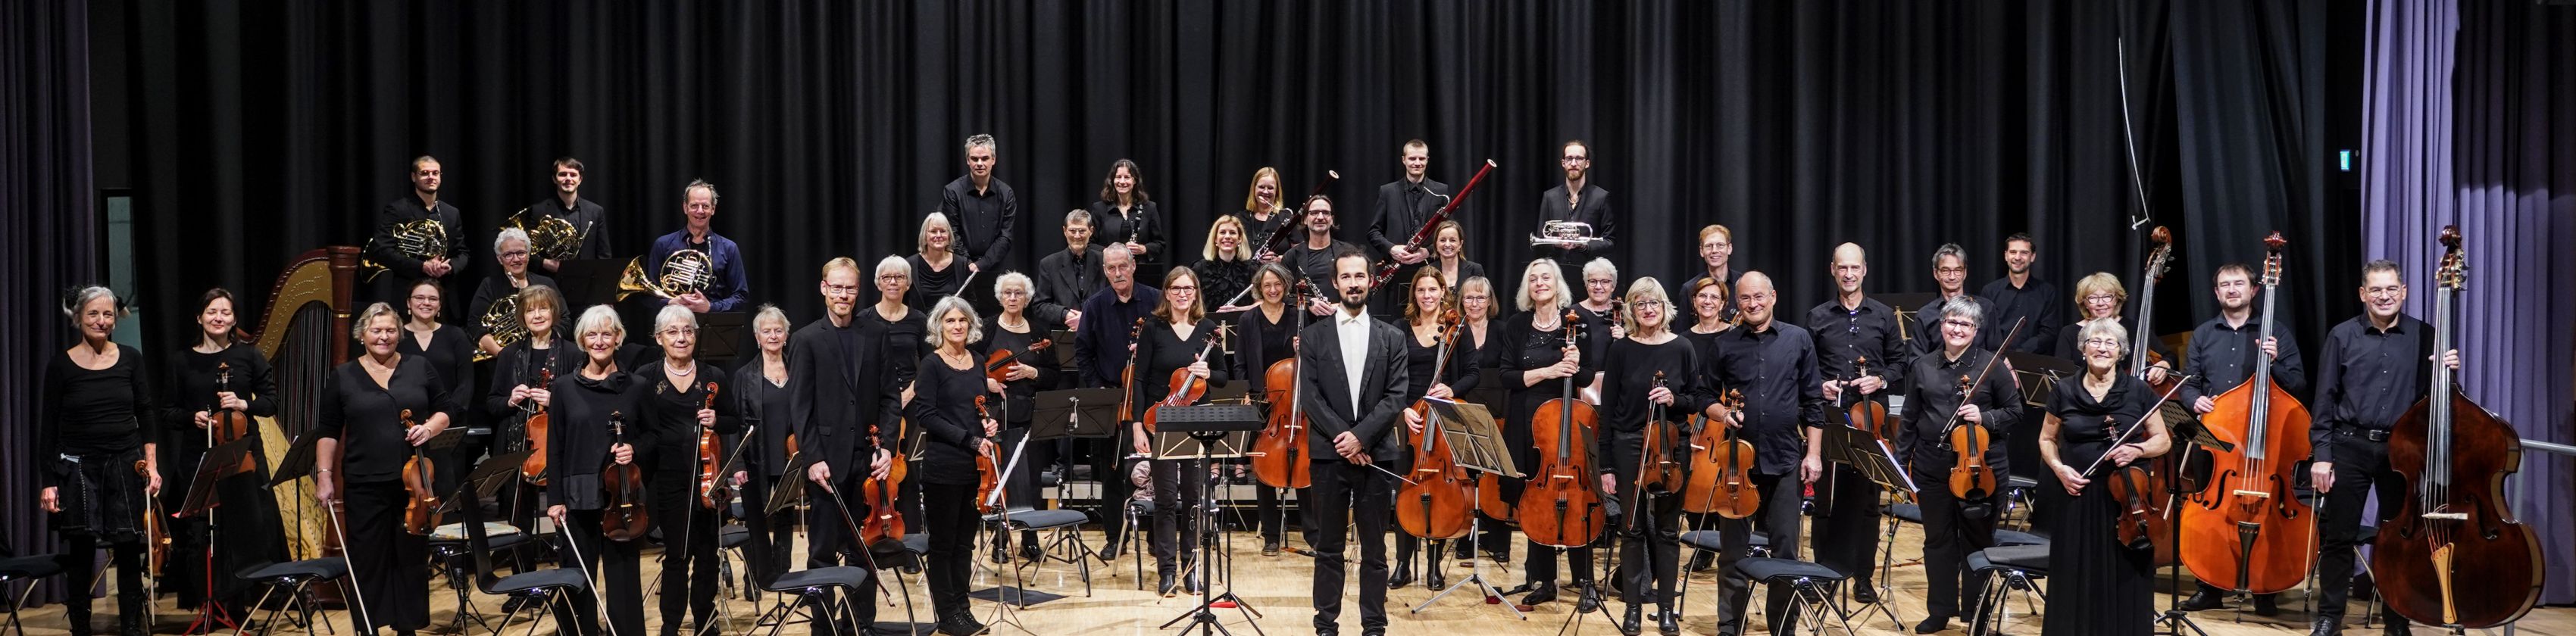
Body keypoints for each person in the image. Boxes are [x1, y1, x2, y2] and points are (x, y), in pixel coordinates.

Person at [2307, 260, 2459, 636]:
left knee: (2399, 541)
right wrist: (2322, 456)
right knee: (2339, 536)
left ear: (2404, 291)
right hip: (2349, 445)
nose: (2384, 296)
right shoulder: (2342, 336)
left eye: (2391, 288)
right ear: (2363, 294)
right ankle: (2330, 618)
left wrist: (2448, 374)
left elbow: (2439, 405)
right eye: (2375, 289)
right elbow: (2324, 398)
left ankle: (2397, 620)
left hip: (2402, 451)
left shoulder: (2427, 336)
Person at [313, 301, 461, 636]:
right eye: (376, 330)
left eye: (391, 330)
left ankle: (407, 629)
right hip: (364, 482)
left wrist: (429, 428)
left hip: (415, 482)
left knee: (410, 557)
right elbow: (328, 430)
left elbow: (446, 409)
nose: (384, 336)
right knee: (368, 560)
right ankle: (368, 629)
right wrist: (324, 476)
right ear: (362, 335)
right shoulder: (344, 375)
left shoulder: (419, 366)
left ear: (400, 333)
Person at [2176, 262, 2306, 615]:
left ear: (2254, 290)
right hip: (2216, 440)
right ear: (2216, 293)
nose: (2232, 290)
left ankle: (2265, 589)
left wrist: (2276, 361)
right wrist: (2193, 400)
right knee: (2211, 513)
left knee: (2267, 512)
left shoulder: (2276, 332)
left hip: (2265, 443)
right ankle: (2209, 586)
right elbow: (2189, 381)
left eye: (2238, 283)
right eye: (2224, 285)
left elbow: (2297, 386)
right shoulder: (2204, 333)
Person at [787, 257, 905, 636]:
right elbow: (800, 407)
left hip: (869, 462)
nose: (843, 295)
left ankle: (860, 626)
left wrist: (886, 447)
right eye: (836, 287)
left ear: (858, 291)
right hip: (826, 464)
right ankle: (822, 628)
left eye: (850, 288)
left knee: (865, 547)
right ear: (823, 289)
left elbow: (890, 397)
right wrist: (812, 458)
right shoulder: (806, 339)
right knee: (822, 551)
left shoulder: (875, 334)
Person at [1297, 248, 1411, 636]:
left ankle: (1374, 626)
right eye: (1346, 277)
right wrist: (1344, 440)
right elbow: (1310, 397)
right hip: (1329, 458)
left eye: (1359, 276)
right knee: (1328, 548)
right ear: (1335, 282)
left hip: (1376, 455)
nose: (1353, 283)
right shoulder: (1312, 336)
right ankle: (1326, 625)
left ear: (1371, 280)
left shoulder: (1393, 337)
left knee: (1376, 552)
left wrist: (1361, 438)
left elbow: (1396, 396)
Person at [1895, 301, 2024, 634]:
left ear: (1976, 330)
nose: (1957, 329)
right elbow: (1909, 418)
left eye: (1965, 325)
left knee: (1977, 541)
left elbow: (2015, 411)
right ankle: (1940, 611)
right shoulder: (1922, 366)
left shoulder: (1992, 366)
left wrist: (1986, 417)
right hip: (1931, 466)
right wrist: (1900, 463)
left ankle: (1976, 613)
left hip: (1981, 469)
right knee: (1937, 540)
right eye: (1952, 322)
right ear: (1941, 325)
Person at [159, 288, 290, 616]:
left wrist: (245, 403)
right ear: (199, 317)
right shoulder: (181, 360)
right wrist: (193, 417)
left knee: (245, 525)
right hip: (199, 455)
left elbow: (271, 402)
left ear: (234, 319)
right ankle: (209, 602)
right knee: (204, 530)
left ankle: (240, 601)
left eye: (226, 313)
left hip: (243, 453)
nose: (219, 318)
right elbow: (168, 412)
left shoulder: (249, 356)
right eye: (212, 311)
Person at [2037, 320, 2172, 636]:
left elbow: (2162, 440)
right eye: (2094, 342)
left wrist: (2137, 450)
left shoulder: (2137, 390)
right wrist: (2060, 469)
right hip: (2077, 494)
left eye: (2110, 343)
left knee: (2126, 571)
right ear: (2083, 349)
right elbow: (2046, 439)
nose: (2102, 348)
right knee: (2075, 569)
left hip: (2127, 500)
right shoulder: (2064, 390)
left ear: (2121, 352)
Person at [1711, 272, 1827, 636]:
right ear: (1738, 303)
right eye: (1745, 299)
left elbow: (1813, 402)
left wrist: (1814, 455)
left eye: (1759, 297)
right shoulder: (1725, 343)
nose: (1753, 304)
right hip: (1737, 464)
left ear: (1773, 296)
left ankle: (1783, 628)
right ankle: (1730, 626)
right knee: (1732, 552)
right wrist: (1724, 413)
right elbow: (1702, 396)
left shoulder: (1798, 339)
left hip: (1785, 458)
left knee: (1786, 552)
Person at [41, 288, 158, 636]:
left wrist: (151, 465)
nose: (101, 321)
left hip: (125, 462)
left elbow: (145, 413)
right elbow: (48, 428)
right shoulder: (61, 364)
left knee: (127, 547)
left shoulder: (131, 358)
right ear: (78, 317)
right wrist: (49, 480)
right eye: (93, 314)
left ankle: (131, 628)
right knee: (81, 550)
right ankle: (81, 629)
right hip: (78, 466)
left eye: (108, 315)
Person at [1593, 279, 1707, 636]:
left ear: (1665, 307)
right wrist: (1607, 464)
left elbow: (1696, 398)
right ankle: (1631, 610)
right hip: (1628, 445)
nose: (1648, 309)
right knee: (1632, 529)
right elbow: (1608, 409)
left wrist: (1675, 400)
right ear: (1630, 310)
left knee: (1670, 531)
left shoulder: (1683, 347)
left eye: (1654, 303)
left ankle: (1666, 609)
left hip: (1672, 447)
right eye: (1640, 304)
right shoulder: (1621, 350)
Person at [1802, 243, 1909, 600]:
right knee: (1825, 502)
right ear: (1833, 270)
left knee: (1867, 504)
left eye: (1855, 268)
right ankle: (1824, 575)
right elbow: (1805, 370)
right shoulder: (1817, 316)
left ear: (1865, 270)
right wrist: (1820, 384)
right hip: (1830, 419)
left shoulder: (1882, 316)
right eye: (1842, 268)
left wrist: (1879, 380)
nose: (1849, 274)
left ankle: (1863, 578)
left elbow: (1900, 364)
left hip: (1870, 421)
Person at [1491, 258, 1599, 609]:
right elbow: (1507, 376)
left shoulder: (1577, 323)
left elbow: (1584, 379)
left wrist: (1577, 361)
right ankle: (1544, 580)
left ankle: (1584, 582)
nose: (1540, 283)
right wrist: (1551, 369)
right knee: (1534, 497)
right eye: (1533, 278)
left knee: (1575, 496)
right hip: (1527, 422)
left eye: (1546, 277)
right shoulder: (1518, 325)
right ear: (1528, 287)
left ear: (1558, 284)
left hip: (1565, 419)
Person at [541, 304, 647, 636]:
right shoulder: (563, 388)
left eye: (606, 333)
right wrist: (554, 500)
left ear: (618, 338)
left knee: (625, 583)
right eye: (592, 334)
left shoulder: (637, 386)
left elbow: (654, 436)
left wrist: (636, 448)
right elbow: (555, 448)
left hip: (623, 497)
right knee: (577, 581)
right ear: (582, 340)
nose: (599, 340)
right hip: (576, 496)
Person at [634, 306, 736, 636]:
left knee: (708, 554)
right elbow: (640, 426)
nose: (681, 338)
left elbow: (735, 420)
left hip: (708, 476)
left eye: (688, 331)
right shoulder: (646, 377)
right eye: (673, 332)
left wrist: (717, 420)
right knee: (677, 555)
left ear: (696, 335)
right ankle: (671, 625)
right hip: (667, 478)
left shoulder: (713, 377)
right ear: (659, 338)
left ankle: (706, 622)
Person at [1128, 266, 1229, 596]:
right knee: (1167, 499)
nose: (1183, 294)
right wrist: (1137, 424)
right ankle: (1167, 572)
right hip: (1163, 420)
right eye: (1176, 289)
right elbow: (1139, 379)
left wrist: (1208, 370)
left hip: (1198, 422)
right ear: (1167, 293)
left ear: (1196, 293)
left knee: (1193, 500)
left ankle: (1191, 569)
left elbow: (1223, 379)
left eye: (1189, 289)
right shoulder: (1154, 328)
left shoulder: (1209, 329)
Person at [908, 295, 1000, 635]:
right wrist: (970, 439)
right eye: (950, 321)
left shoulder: (977, 361)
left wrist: (988, 424)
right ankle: (947, 615)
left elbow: (979, 406)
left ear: (971, 324)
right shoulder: (931, 364)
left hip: (974, 469)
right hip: (943, 466)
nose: (957, 326)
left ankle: (963, 607)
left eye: (962, 320)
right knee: (943, 544)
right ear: (939, 326)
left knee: (965, 543)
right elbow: (927, 415)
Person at [480, 285, 580, 581]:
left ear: (554, 311)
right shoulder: (509, 355)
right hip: (517, 449)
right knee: (518, 519)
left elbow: (585, 404)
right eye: (530, 310)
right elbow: (492, 403)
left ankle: (568, 579)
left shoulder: (573, 353)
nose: (537, 315)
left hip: (559, 447)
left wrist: (557, 401)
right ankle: (523, 583)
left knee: (564, 515)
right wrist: (510, 399)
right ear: (522, 317)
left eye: (543, 308)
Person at [1068, 244, 1160, 555]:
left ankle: (1154, 538)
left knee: (1155, 471)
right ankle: (1114, 539)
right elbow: (1082, 351)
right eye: (1111, 268)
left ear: (1133, 265)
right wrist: (1098, 387)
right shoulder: (1095, 306)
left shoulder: (1155, 300)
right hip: (1111, 395)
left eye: (1123, 266)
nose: (1118, 273)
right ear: (1104, 270)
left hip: (1150, 397)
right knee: (1112, 471)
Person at [1390, 267, 1478, 591]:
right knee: (1406, 490)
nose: (1427, 296)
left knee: (1440, 493)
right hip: (1408, 419)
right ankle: (1402, 563)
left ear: (1444, 292)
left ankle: (1434, 566)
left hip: (1442, 420)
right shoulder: (1400, 328)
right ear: (1414, 294)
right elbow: (1390, 376)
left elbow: (1473, 373)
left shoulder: (1457, 330)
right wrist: (1402, 410)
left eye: (1433, 290)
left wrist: (1451, 390)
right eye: (1421, 290)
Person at [983, 273, 1060, 563]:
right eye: (1007, 293)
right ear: (1000, 297)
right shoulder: (987, 328)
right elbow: (971, 364)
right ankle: (1000, 542)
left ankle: (1030, 537)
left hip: (1030, 414)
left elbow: (1054, 375)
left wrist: (1032, 372)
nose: (1013, 298)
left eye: (1018, 294)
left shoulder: (1039, 332)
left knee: (1031, 480)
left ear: (1027, 298)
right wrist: (986, 382)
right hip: (996, 413)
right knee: (1000, 479)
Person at [1231, 263, 1302, 556]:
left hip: (1296, 400)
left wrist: (1304, 348)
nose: (1273, 290)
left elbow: (1316, 361)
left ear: (1285, 286)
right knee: (1263, 468)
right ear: (1259, 288)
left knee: (1302, 463)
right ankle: (1271, 534)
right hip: (1261, 399)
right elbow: (1239, 362)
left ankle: (1311, 529)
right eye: (1267, 285)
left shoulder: (1299, 315)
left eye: (1278, 285)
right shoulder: (1249, 319)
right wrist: (1245, 394)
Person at [730, 304, 798, 591]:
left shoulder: (798, 369)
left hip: (789, 456)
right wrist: (737, 465)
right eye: (766, 331)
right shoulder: (744, 376)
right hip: (756, 458)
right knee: (756, 521)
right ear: (757, 337)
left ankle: (781, 574)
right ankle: (756, 576)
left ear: (786, 335)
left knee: (785, 517)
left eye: (778, 330)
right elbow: (734, 424)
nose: (773, 336)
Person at [395, 279, 477, 494]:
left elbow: (466, 383)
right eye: (419, 298)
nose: (426, 303)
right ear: (408, 304)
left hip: (449, 426)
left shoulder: (456, 336)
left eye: (433, 299)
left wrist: (446, 415)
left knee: (448, 489)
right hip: (407, 426)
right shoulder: (395, 338)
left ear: (440, 306)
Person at [1675, 276, 1734, 573]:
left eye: (1714, 297)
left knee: (1722, 474)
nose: (1707, 302)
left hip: (1723, 418)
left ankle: (1727, 543)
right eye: (1702, 297)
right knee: (1693, 474)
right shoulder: (1684, 339)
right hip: (1692, 417)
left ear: (1723, 303)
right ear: (1694, 302)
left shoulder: (1733, 336)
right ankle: (1700, 544)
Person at [1447, 275, 1508, 564]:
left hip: (1497, 411)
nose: (1474, 303)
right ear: (1461, 301)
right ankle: (1465, 536)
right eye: (1469, 298)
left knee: (1496, 478)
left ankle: (1498, 540)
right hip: (1463, 408)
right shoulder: (1454, 330)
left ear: (1489, 301)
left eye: (1480, 297)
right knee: (1467, 477)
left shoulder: (1502, 330)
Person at [368, 157, 470, 313]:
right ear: (414, 177)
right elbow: (381, 250)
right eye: (425, 173)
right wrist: (422, 266)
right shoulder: (398, 209)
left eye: (435, 173)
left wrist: (449, 267)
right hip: (406, 293)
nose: (431, 177)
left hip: (444, 295)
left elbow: (462, 253)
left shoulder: (451, 213)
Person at [1369, 139, 1452, 316]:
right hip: (1395, 271)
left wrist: (1428, 252)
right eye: (1412, 158)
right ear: (1404, 160)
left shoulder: (1440, 190)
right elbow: (1373, 232)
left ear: (1428, 160)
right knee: (1397, 322)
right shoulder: (1388, 192)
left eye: (1421, 159)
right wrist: (1392, 249)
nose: (1417, 163)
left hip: (1430, 269)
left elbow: (1447, 234)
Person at [643, 179, 750, 313]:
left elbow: (741, 296)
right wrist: (670, 302)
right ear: (685, 207)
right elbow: (647, 295)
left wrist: (710, 307)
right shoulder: (663, 245)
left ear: (713, 209)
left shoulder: (729, 248)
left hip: (712, 323)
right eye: (694, 206)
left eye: (705, 206)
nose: (700, 211)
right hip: (673, 323)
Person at [2052, 273, 2175, 380]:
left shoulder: (2135, 328)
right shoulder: (2069, 333)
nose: (2101, 303)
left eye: (2107, 297)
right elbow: (2061, 373)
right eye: (2093, 298)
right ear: (2084, 303)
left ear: (2116, 299)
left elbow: (2169, 356)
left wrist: (2164, 364)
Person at [470, 228, 561, 356]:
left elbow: (564, 320)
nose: (516, 259)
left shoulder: (547, 283)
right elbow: (475, 326)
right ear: (500, 259)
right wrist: (503, 355)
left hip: (547, 353)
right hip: (503, 357)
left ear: (529, 255)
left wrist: (545, 345)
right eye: (508, 255)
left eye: (521, 253)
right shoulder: (489, 285)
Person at [937, 134, 1018, 276]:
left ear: (994, 159)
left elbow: (1006, 236)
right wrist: (968, 263)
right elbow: (952, 232)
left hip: (996, 268)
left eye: (985, 158)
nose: (979, 163)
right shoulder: (952, 191)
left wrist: (982, 264)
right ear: (968, 160)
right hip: (960, 267)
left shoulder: (1006, 193)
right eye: (974, 159)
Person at [521, 157, 612, 273]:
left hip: (586, 279)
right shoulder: (539, 211)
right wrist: (546, 263)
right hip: (550, 280)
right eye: (563, 174)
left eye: (573, 175)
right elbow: (526, 251)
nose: (568, 179)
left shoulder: (596, 211)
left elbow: (604, 255)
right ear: (554, 179)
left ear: (580, 180)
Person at [1533, 140, 1614, 270]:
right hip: (1556, 272)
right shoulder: (1549, 197)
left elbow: (1610, 242)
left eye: (1579, 159)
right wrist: (1557, 244)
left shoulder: (1601, 197)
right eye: (1569, 159)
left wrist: (1585, 245)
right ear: (1563, 163)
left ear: (1587, 163)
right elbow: (1540, 241)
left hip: (1589, 273)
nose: (1574, 163)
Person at [1978, 232, 2063, 354]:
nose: (2018, 257)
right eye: (2013, 252)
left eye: (2024, 253)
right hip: (1997, 362)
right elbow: (1984, 330)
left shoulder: (2047, 292)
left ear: (2032, 257)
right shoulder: (1990, 291)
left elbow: (2049, 333)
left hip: (2033, 363)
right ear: (2006, 256)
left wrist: (2020, 353)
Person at [1914, 243, 2000, 355]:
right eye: (1945, 271)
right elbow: (1916, 361)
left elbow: (1996, 353)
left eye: (1958, 270)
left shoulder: (1987, 308)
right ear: (1936, 273)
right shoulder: (1924, 315)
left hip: (1979, 372)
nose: (1952, 277)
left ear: (1965, 273)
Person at [1283, 196, 1361, 316]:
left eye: (1325, 213)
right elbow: (1282, 295)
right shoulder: (1292, 256)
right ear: (1305, 219)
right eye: (1314, 213)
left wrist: (1342, 306)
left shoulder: (1349, 252)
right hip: (1307, 327)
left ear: (1332, 219)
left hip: (1342, 322)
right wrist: (1308, 302)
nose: (1320, 217)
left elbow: (1364, 289)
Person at [1090, 159, 1166, 282]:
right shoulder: (1099, 208)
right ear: (1112, 180)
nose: (1122, 182)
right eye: (1118, 177)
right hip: (1108, 275)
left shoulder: (1149, 208)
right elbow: (1090, 244)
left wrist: (1143, 249)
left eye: (1127, 177)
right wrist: (1110, 252)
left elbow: (1160, 244)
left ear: (1135, 180)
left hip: (1140, 272)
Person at [1032, 210, 1105, 332]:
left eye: (1082, 231)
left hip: (1100, 332)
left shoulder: (1104, 260)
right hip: (1064, 333)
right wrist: (1065, 314)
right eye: (1072, 230)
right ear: (1065, 231)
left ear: (1091, 231)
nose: (1077, 236)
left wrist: (1087, 317)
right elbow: (1040, 306)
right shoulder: (1049, 264)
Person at [1196, 215, 1259, 314]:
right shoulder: (1200, 269)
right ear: (1215, 239)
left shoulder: (1252, 269)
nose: (1227, 236)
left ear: (1240, 239)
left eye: (1233, 233)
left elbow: (1261, 304)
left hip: (1242, 325)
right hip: (1209, 326)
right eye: (1222, 232)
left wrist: (1237, 310)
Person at [1683, 225, 1743, 328]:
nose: (1714, 250)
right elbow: (1682, 333)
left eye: (1720, 245)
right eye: (1709, 246)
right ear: (1701, 251)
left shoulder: (1743, 284)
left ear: (1729, 249)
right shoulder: (1689, 288)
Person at [908, 213, 969, 312]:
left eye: (943, 231)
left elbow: (970, 302)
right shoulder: (910, 264)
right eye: (933, 231)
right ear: (924, 236)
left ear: (949, 236)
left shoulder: (961, 263)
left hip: (952, 325)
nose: (939, 235)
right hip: (920, 325)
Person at [1233, 167, 1291, 254]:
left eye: (1270, 188)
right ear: (1254, 189)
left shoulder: (1286, 218)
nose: (1266, 192)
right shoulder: (1240, 219)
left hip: (1277, 267)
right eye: (1261, 187)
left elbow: (1300, 253)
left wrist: (1280, 259)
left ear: (1277, 191)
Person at [1428, 220, 1485, 296]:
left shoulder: (1475, 270)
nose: (1447, 244)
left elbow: (1482, 300)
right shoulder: (1427, 271)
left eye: (1452, 240)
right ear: (1436, 244)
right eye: (1442, 240)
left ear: (1460, 244)